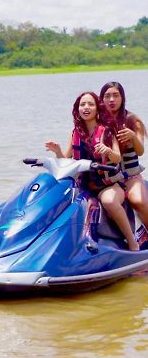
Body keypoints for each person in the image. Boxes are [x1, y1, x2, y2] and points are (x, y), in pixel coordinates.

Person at [45, 91, 139, 251]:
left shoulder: (107, 131)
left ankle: (132, 242)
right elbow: (66, 161)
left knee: (109, 202)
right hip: (84, 186)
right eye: (82, 104)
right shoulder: (75, 132)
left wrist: (108, 150)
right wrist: (57, 151)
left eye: (90, 104)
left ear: (97, 109)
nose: (86, 108)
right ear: (77, 109)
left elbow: (117, 158)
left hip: (108, 186)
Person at [100, 81, 148, 229]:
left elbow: (140, 152)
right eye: (107, 96)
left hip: (130, 177)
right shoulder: (97, 122)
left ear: (122, 98)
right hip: (110, 179)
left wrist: (133, 136)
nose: (112, 100)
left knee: (138, 200)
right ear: (101, 100)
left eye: (116, 95)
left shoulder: (132, 120)